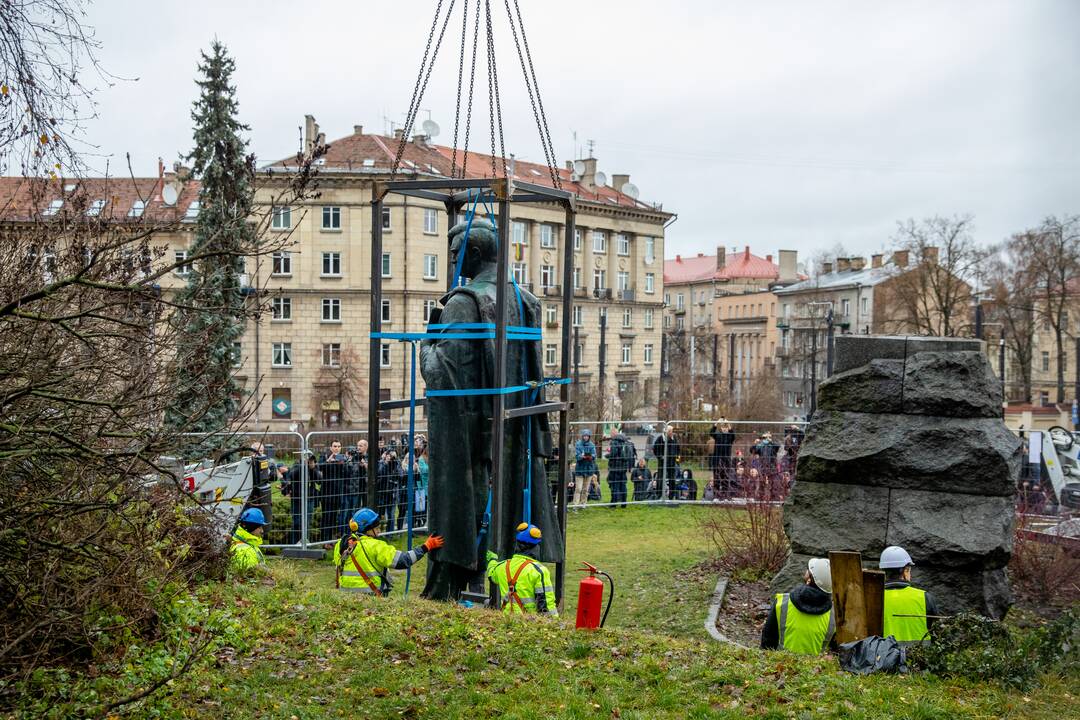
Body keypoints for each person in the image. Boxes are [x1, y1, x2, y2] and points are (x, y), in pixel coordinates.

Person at [333, 507, 444, 594]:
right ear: (367, 529)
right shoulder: (375, 546)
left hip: (345, 596)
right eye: (376, 528)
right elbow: (403, 561)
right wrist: (426, 547)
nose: (379, 531)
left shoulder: (340, 544)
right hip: (371, 596)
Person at [760, 558, 836, 655]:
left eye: (808, 570)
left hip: (778, 666)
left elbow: (767, 641)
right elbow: (836, 651)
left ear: (809, 578)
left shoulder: (782, 602)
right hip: (813, 669)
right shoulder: (834, 616)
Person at [485, 523, 558, 617]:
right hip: (528, 625)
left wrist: (492, 560)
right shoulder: (539, 571)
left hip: (507, 622)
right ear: (536, 547)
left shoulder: (503, 566)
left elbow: (491, 574)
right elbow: (546, 606)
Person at [879, 546, 940, 644]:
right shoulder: (924, 597)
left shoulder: (874, 598)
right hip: (920, 657)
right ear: (905, 571)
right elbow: (937, 633)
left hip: (884, 658)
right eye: (909, 571)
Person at [283, 456, 320, 545]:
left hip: (309, 498)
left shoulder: (314, 467)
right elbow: (292, 475)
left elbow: (319, 480)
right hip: (297, 498)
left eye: (311, 460)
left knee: (307, 521)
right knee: (296, 521)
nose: (309, 461)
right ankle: (294, 543)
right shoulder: (297, 465)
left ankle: (305, 543)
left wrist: (312, 468)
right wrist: (303, 466)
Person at [605, 428, 636, 508]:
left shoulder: (614, 442)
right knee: (623, 485)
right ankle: (624, 503)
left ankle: (613, 504)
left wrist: (607, 455)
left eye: (611, 433)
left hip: (615, 468)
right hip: (623, 468)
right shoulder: (625, 441)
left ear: (614, 434)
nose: (610, 435)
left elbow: (613, 454)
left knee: (614, 485)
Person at [230, 507, 268, 572]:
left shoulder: (249, 544)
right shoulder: (244, 550)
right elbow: (250, 574)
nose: (262, 531)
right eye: (259, 527)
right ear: (250, 527)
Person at [651, 424, 681, 499]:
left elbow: (678, 448)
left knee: (672, 479)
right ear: (666, 431)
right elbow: (655, 449)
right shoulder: (660, 438)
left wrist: (677, 458)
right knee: (660, 478)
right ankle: (659, 494)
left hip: (672, 462)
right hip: (662, 462)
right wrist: (660, 457)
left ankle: (671, 495)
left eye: (672, 431)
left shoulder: (675, 438)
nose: (671, 432)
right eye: (670, 431)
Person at [573, 429, 599, 506]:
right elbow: (577, 456)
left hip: (589, 469)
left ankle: (583, 503)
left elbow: (594, 455)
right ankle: (575, 504)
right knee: (578, 488)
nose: (585, 437)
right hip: (580, 469)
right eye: (584, 436)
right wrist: (582, 457)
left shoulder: (592, 445)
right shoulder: (578, 444)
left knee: (586, 489)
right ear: (582, 436)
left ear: (589, 437)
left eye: (587, 436)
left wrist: (591, 457)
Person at [709, 419, 736, 491]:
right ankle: (716, 495)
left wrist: (729, 424)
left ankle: (724, 496)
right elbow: (711, 432)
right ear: (721, 428)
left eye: (726, 427)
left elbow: (733, 436)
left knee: (726, 478)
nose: (725, 429)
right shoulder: (718, 435)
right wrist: (716, 423)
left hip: (726, 461)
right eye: (723, 427)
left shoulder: (730, 436)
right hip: (717, 460)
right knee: (717, 478)